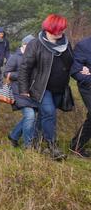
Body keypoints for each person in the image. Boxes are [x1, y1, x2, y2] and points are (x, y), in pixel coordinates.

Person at [19, 14, 74, 160]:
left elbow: (70, 63)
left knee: (44, 116)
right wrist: (24, 89)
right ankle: (53, 147)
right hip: (42, 88)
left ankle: (35, 142)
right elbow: (25, 68)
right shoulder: (35, 44)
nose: (61, 32)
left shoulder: (66, 44)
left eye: (62, 29)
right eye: (58, 29)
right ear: (49, 29)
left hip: (60, 88)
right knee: (49, 113)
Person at [5, 35, 38, 148]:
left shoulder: (35, 57)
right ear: (24, 45)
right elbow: (7, 73)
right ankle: (28, 144)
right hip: (18, 91)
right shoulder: (14, 57)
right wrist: (23, 75)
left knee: (31, 117)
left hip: (32, 92)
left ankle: (13, 135)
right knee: (30, 116)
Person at [69, 34, 91, 158]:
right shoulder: (83, 45)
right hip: (88, 87)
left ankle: (76, 146)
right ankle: (76, 146)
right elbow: (75, 70)